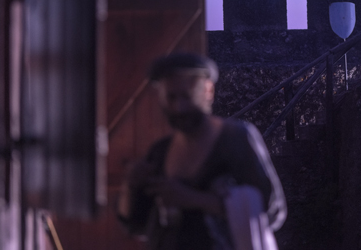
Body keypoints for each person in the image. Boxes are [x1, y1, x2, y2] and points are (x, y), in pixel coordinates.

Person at [117, 53, 286, 250]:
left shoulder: (236, 140)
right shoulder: (160, 151)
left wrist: (194, 199)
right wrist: (130, 185)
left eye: (187, 97)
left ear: (208, 91)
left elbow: (272, 210)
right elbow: (135, 225)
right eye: (171, 97)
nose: (179, 108)